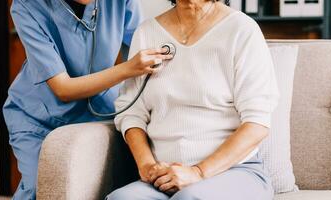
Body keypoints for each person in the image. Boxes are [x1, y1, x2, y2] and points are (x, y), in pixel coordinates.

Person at [109, 0, 279, 199]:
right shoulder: (146, 32)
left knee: (189, 197)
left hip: (234, 171)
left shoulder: (242, 29)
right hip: (165, 175)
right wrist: (147, 166)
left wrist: (198, 172)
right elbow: (131, 113)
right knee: (122, 198)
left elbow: (257, 123)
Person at [3, 0, 173, 199]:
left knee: (105, 185)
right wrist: (128, 69)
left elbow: (141, 45)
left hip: (101, 107)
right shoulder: (27, 6)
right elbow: (63, 88)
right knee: (39, 188)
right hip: (40, 116)